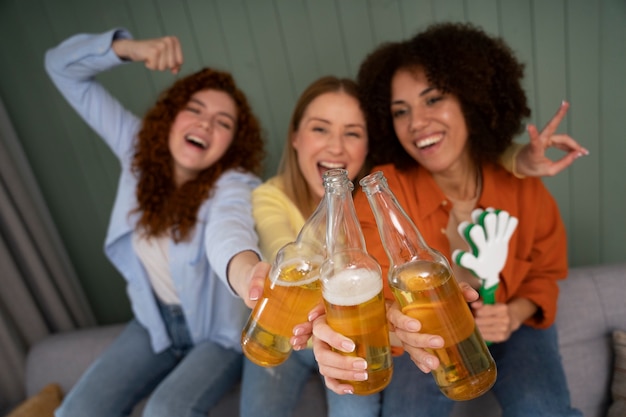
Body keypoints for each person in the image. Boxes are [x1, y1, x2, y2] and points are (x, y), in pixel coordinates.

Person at [245, 73, 586, 417]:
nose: (418, 122)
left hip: (517, 324)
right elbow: (339, 274)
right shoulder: (382, 188)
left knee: (544, 409)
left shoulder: (520, 180)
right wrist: (367, 327)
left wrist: (514, 313)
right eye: (400, 111)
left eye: (433, 99)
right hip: (425, 330)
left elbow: (546, 271)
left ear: (470, 102)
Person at [45, 28, 269, 417]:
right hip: (154, 323)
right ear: (171, 116)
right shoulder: (136, 149)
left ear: (232, 145)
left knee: (164, 411)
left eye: (223, 122)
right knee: (74, 412)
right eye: (195, 110)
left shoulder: (235, 184)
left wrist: (248, 275)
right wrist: (129, 49)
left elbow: (228, 232)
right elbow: (60, 66)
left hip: (218, 336)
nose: (204, 125)